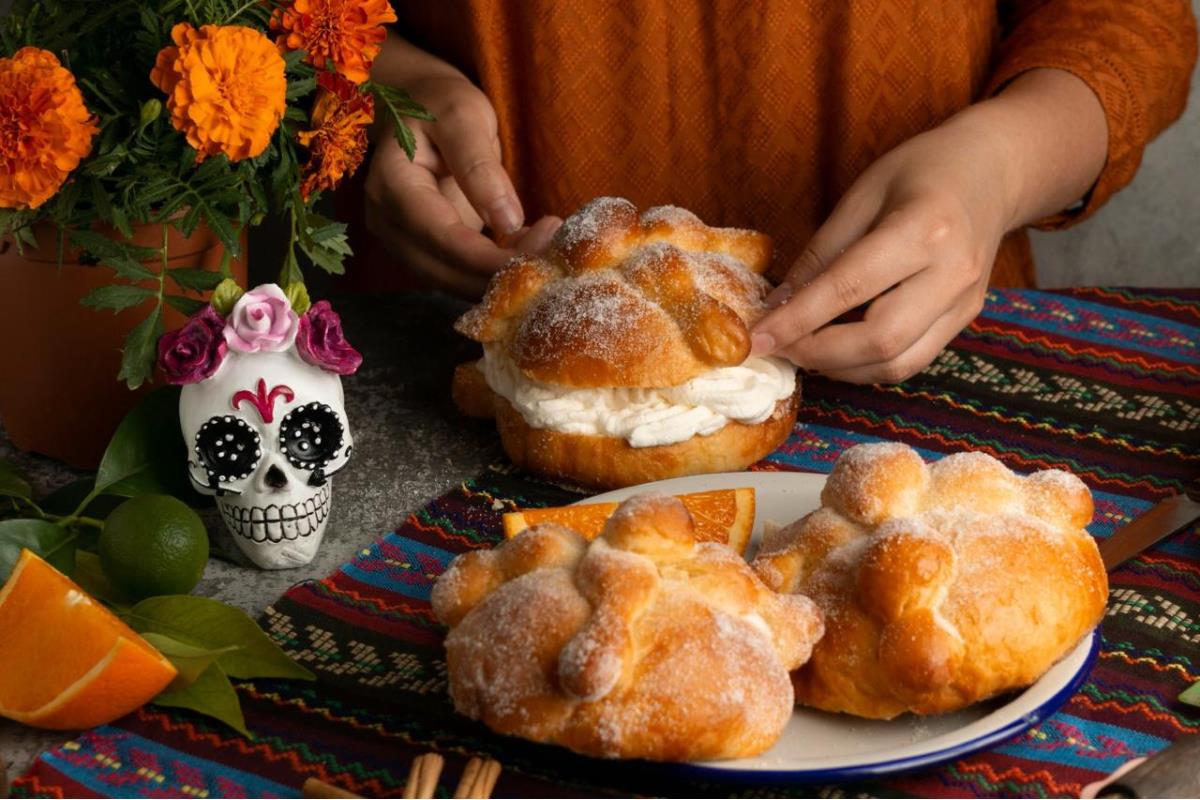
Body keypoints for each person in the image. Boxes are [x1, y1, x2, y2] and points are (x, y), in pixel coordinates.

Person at [363, 2, 1196, 384]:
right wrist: (382, 84)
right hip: (442, 359)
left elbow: (1130, 21)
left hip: (927, 358)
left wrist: (1002, 164)